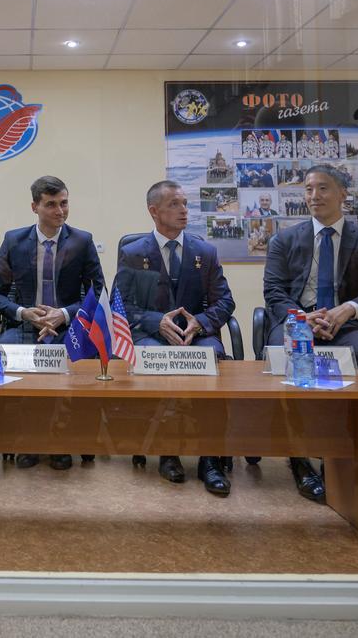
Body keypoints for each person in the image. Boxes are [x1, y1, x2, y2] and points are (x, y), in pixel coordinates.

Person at [262, 163, 358, 503]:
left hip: (347, 325)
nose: (313, 196)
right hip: (299, 324)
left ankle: (352, 446)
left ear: (342, 194)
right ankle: (300, 454)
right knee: (292, 357)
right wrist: (302, 318)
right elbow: (274, 291)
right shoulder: (283, 240)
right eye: (308, 189)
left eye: (322, 188)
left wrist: (347, 309)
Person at [115, 180, 236, 498]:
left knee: (214, 358)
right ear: (154, 211)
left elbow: (224, 302)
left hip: (196, 335)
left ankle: (210, 459)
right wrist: (158, 322)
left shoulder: (204, 252)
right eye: (174, 205)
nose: (184, 210)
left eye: (185, 203)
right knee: (155, 361)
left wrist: (200, 322)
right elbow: (123, 306)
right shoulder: (133, 254)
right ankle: (168, 452)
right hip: (153, 335)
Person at [0, 176, 104, 471]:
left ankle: (62, 438)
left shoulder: (82, 240)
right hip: (26, 324)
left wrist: (63, 314)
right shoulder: (14, 241)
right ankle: (29, 437)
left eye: (64, 203)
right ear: (34, 206)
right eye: (51, 204)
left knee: (87, 364)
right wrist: (24, 312)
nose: (59, 211)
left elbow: (95, 291)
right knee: (0, 360)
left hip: (69, 326)